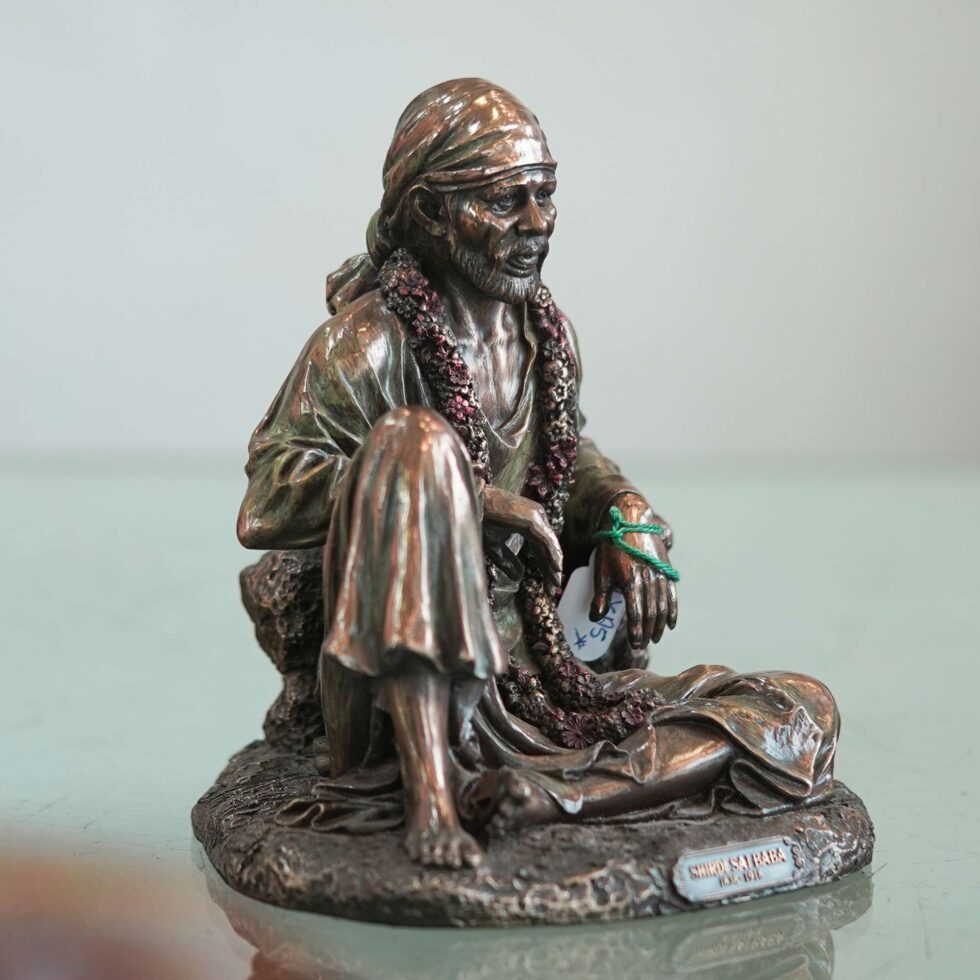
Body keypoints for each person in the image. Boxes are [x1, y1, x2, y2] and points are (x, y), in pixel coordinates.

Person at [238, 79, 839, 870]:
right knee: (416, 444)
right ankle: (431, 796)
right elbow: (269, 500)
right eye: (505, 201)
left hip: (545, 676)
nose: (537, 223)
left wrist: (623, 511)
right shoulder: (369, 343)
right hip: (406, 699)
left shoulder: (545, 335)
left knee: (799, 709)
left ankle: (557, 799)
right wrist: (461, 498)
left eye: (544, 194)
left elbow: (566, 451)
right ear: (429, 210)